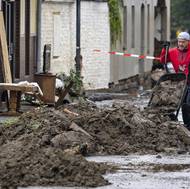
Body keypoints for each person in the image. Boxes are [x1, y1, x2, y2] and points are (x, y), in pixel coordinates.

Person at [160, 31, 190, 130]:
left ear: (188, 42)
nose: (181, 44)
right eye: (179, 42)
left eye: (183, 42)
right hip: (181, 82)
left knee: (188, 104)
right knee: (183, 105)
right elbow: (163, 60)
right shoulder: (173, 52)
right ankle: (187, 126)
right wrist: (165, 49)